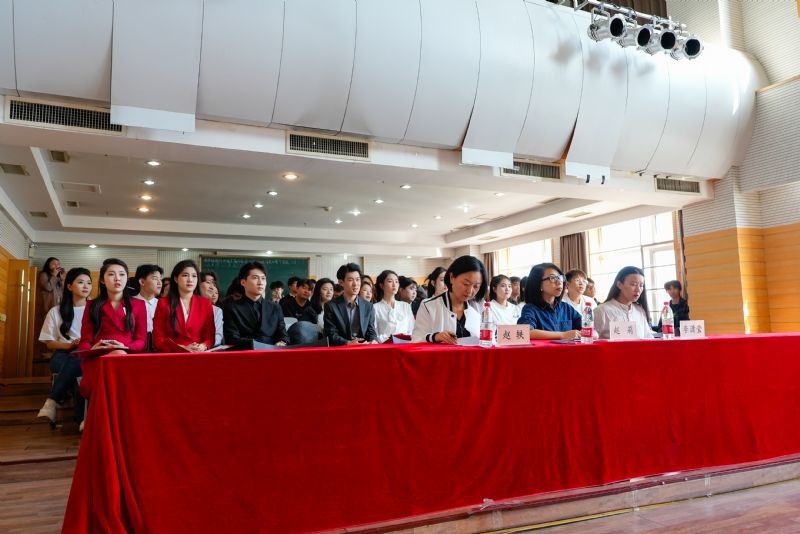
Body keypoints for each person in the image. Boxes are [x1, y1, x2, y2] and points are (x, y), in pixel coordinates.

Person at [78, 258, 148, 400]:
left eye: (122, 274)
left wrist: (125, 347)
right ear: (102, 280)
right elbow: (85, 340)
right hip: (98, 356)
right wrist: (92, 349)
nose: (117, 278)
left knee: (119, 356)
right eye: (111, 274)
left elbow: (141, 340)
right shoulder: (92, 305)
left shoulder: (138, 305)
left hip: (129, 354)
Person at [37, 267, 92, 425]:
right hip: (62, 354)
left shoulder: (95, 309)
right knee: (78, 368)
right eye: (80, 282)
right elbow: (49, 343)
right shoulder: (56, 311)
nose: (86, 286)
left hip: (87, 354)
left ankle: (52, 402)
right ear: (69, 286)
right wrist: (68, 346)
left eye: (89, 283)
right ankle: (84, 420)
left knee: (78, 370)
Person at [412, 256, 486, 344]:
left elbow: (489, 340)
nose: (470, 291)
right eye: (466, 284)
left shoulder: (478, 308)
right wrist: (435, 337)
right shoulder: (428, 306)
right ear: (452, 278)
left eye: (476, 286)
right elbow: (416, 340)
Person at [223, 261, 289, 349]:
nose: (260, 282)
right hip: (246, 352)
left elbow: (283, 335)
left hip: (272, 352)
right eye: (255, 278)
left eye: (263, 278)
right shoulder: (232, 308)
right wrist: (258, 345)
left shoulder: (275, 307)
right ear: (243, 282)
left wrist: (282, 342)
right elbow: (231, 338)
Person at [153, 260, 216, 352]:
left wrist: (203, 346)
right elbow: (158, 339)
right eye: (185, 275)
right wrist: (182, 347)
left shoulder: (205, 304)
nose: (190, 279)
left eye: (194, 276)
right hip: (173, 354)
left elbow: (210, 337)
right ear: (176, 279)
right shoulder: (163, 303)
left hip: (198, 354)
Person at [517, 263, 583, 340]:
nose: (559, 282)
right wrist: (563, 335)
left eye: (560, 278)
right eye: (553, 278)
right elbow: (525, 332)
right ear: (539, 284)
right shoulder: (530, 309)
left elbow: (586, 326)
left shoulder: (566, 308)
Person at [324, 263, 378, 346]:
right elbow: (331, 334)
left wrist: (373, 341)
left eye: (358, 279)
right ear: (341, 282)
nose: (355, 284)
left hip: (363, 348)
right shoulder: (331, 306)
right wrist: (348, 343)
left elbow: (371, 331)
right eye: (350, 280)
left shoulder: (368, 306)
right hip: (342, 349)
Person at [594, 266, 654, 340]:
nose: (638, 289)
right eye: (633, 284)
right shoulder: (602, 310)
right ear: (619, 284)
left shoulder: (640, 310)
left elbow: (648, 338)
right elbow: (590, 340)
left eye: (641, 285)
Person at [373, 270, 414, 343]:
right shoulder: (375, 308)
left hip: (405, 345)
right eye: (390, 281)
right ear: (381, 285)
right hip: (385, 346)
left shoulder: (405, 306)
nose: (394, 284)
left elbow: (412, 329)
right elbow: (374, 334)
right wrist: (389, 340)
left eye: (396, 281)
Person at [133, 264, 163, 349]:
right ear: (142, 282)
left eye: (160, 279)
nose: (160, 283)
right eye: (155, 278)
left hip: (159, 348)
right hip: (136, 348)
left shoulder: (162, 304)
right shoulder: (130, 304)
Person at [280, 279, 319, 344]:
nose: (306, 291)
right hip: (291, 339)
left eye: (309, 289)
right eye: (304, 288)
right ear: (297, 288)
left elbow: (315, 327)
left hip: (310, 339)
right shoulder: (286, 305)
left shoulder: (313, 308)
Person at [36, 257, 65, 338]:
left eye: (58, 264)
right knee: (49, 332)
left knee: (59, 331)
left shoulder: (59, 277)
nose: (56, 266)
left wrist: (62, 279)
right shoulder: (43, 275)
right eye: (53, 264)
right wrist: (54, 275)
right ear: (48, 265)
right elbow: (48, 287)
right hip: (48, 308)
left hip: (60, 308)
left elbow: (64, 290)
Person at [198, 273, 224, 347]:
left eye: (214, 284)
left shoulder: (216, 310)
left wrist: (204, 345)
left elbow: (218, 336)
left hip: (207, 349)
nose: (212, 287)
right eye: (208, 282)